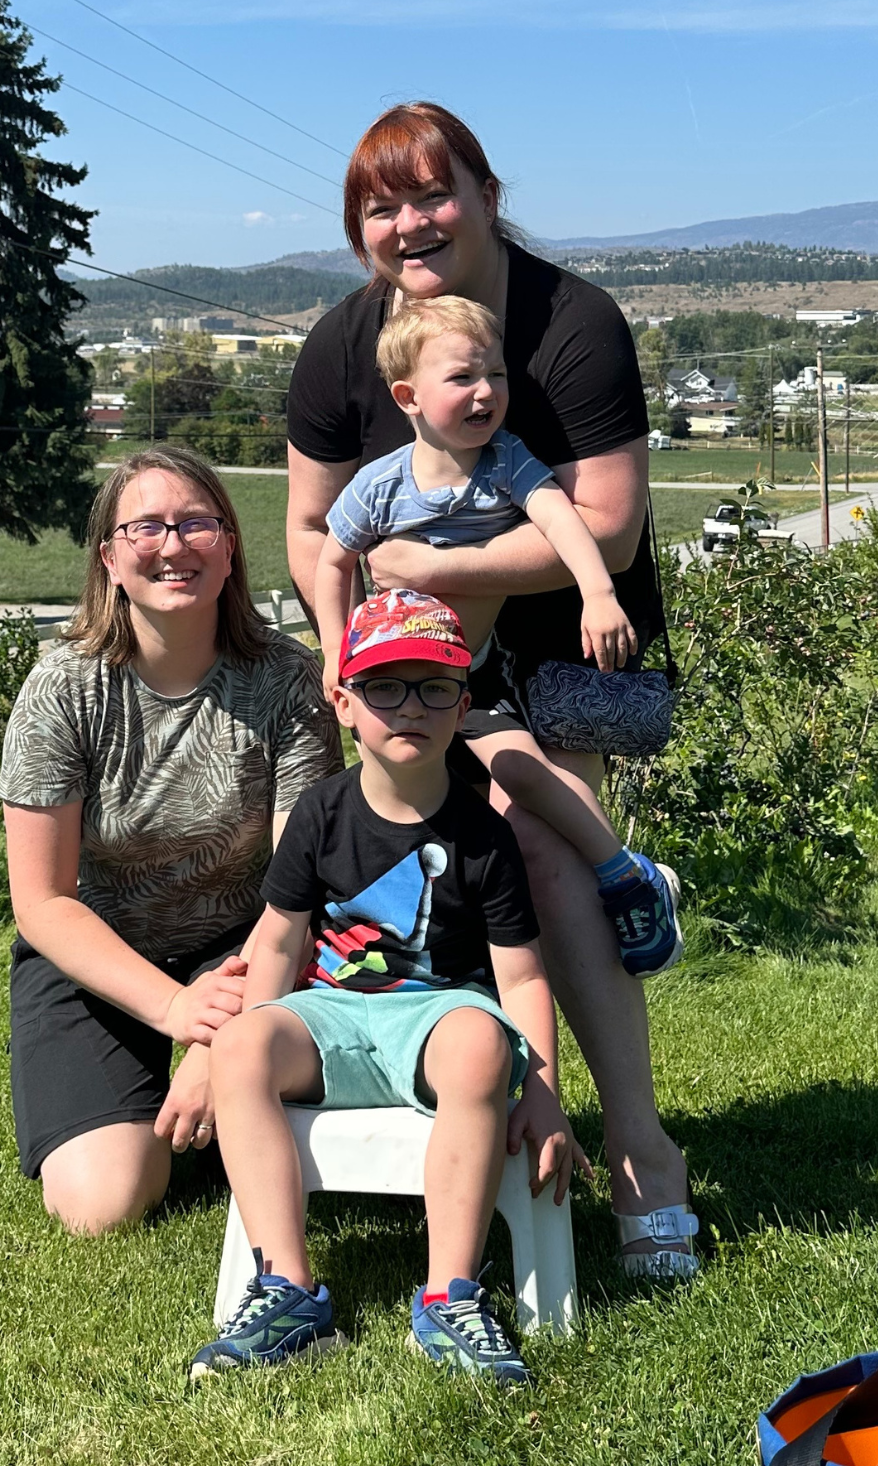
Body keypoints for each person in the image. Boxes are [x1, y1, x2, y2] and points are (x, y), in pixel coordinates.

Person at [286, 101, 699, 1277]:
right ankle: (467, 1102)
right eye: (381, 205)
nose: (409, 223)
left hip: (559, 647)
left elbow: (607, 532)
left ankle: (636, 1153)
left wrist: (437, 567)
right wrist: (346, 634)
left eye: (433, 194)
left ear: (485, 194)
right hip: (405, 656)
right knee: (371, 851)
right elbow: (313, 524)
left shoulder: (573, 328)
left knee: (539, 852)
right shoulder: (341, 348)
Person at [191, 590, 587, 1384]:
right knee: (239, 1048)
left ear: (462, 703)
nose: (409, 707)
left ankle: (449, 1298)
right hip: (331, 1012)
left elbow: (520, 972)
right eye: (384, 687)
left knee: (480, 1045)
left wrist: (542, 1088)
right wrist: (240, 1035)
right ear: (344, 703)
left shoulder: (485, 835)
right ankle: (287, 1291)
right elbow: (277, 937)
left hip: (440, 1016)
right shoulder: (321, 812)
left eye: (434, 686)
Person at [0, 446, 341, 1233]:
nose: (172, 544)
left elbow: (303, 886)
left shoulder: (289, 684)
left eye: (196, 523)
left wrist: (222, 1038)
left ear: (229, 550)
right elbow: (43, 902)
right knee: (102, 1205)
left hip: (256, 948)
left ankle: (224, 1105)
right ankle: (177, 1122)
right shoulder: (62, 690)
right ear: (110, 558)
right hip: (101, 959)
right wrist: (179, 1011)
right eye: (145, 526)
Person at [314, 293, 682, 978]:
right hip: (398, 683)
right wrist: (339, 652)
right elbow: (331, 560)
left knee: (520, 771)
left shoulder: (506, 463)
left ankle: (626, 875)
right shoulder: (380, 486)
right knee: (393, 804)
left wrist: (599, 593)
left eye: (498, 376)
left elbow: (566, 520)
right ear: (408, 396)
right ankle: (376, 943)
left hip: (477, 677)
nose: (487, 393)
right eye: (462, 378)